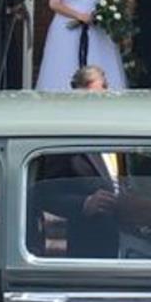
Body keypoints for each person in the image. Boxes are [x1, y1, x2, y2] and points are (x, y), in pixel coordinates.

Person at [27, 65, 118, 256]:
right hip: (90, 245)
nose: (91, 105)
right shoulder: (66, 141)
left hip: (132, 235)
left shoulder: (120, 130)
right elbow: (44, 193)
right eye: (84, 98)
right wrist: (84, 204)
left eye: (96, 97)